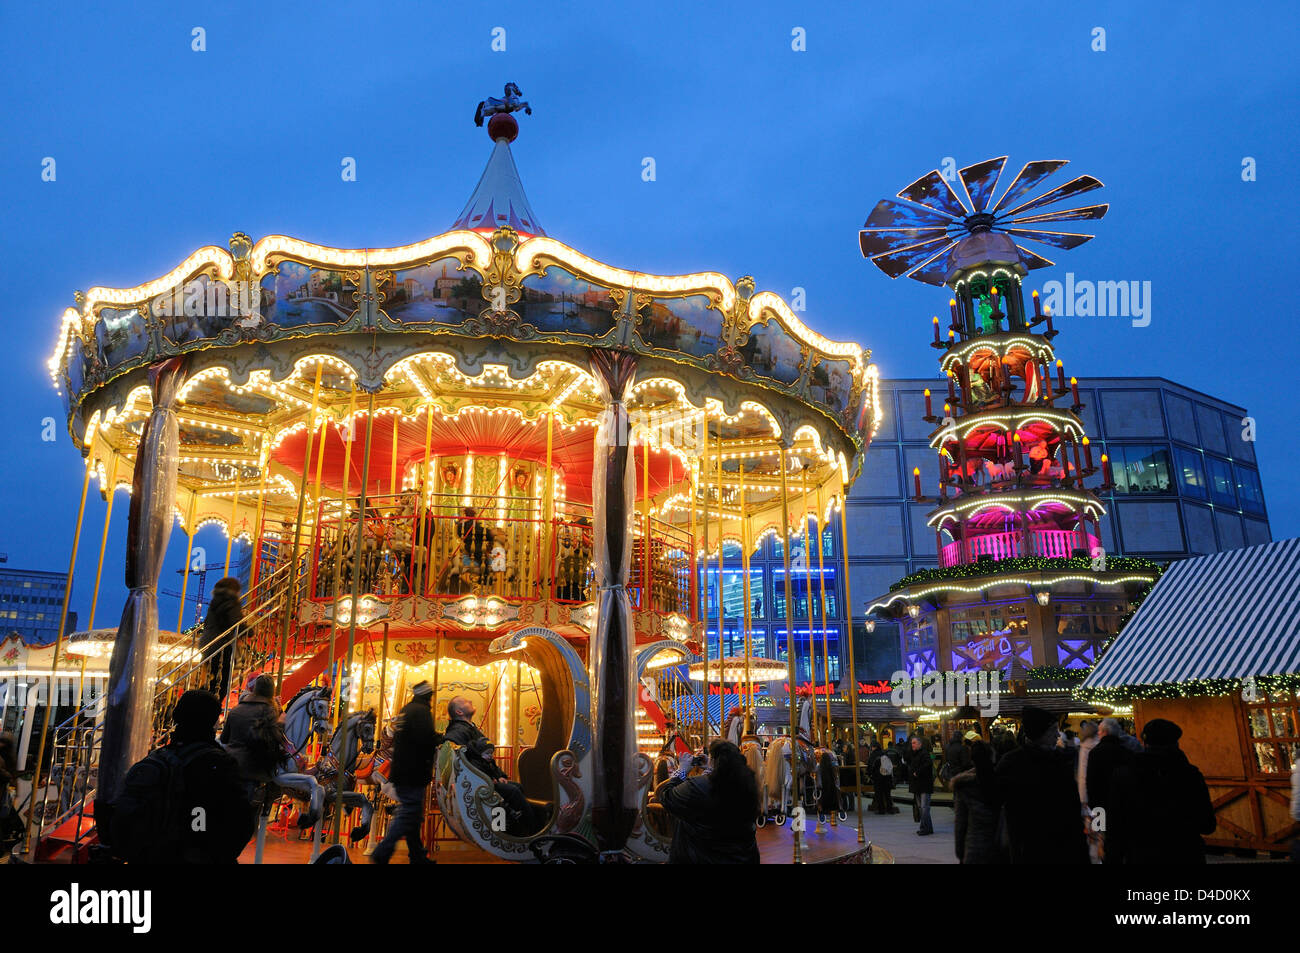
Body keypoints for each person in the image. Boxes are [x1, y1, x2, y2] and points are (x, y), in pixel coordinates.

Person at [106, 690, 255, 863]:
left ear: (176, 715)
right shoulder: (218, 764)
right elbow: (240, 822)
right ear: (214, 721)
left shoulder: (158, 757)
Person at [1106, 719, 1216, 864]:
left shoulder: (1124, 775)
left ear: (1145, 744)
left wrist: (1113, 856)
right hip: (1185, 853)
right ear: (1176, 744)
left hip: (1142, 854)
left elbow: (1115, 825)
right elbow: (1207, 824)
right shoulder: (1190, 775)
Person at [994, 706, 1088, 864]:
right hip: (1033, 846)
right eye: (1052, 731)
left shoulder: (1059, 760)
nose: (1057, 735)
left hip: (1059, 845)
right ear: (1040, 734)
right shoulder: (1016, 763)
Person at [653, 740, 760, 864]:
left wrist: (682, 770)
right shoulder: (746, 784)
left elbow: (666, 796)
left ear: (714, 760)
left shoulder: (696, 786)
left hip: (702, 856)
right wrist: (710, 769)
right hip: (741, 856)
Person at [372, 681, 443, 864]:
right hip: (414, 770)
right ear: (428, 696)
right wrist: (441, 738)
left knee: (413, 814)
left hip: (401, 769)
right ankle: (383, 851)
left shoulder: (406, 709)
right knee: (408, 812)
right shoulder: (421, 711)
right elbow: (425, 738)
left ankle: (417, 856)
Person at [444, 695, 536, 832]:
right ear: (459, 712)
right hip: (476, 782)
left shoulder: (469, 728)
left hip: (483, 779)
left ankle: (514, 829)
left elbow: (487, 759)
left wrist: (499, 775)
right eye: (464, 701)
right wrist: (485, 777)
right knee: (513, 791)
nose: (470, 700)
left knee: (518, 787)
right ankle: (531, 829)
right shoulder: (458, 732)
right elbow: (466, 761)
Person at [219, 674, 285, 805]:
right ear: (271, 691)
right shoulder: (269, 711)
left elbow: (224, 739)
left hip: (231, 767)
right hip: (253, 771)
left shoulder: (236, 709)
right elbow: (276, 739)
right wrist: (281, 720)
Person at [1086, 716, 1135, 860]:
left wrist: (1094, 810)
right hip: (1125, 806)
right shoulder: (1127, 752)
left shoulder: (1095, 753)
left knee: (1106, 845)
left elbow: (1092, 783)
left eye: (1099, 732)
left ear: (1104, 732)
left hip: (1102, 805)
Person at [952, 740, 1004, 864]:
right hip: (1001, 848)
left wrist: (960, 853)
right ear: (993, 757)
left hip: (975, 849)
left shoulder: (966, 787)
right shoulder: (1002, 782)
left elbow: (960, 824)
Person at [203, 577, 244, 701]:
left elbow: (207, 623)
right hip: (222, 644)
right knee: (223, 680)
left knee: (215, 678)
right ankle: (214, 705)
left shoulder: (215, 602)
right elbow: (236, 622)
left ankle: (206, 702)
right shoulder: (231, 602)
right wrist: (249, 631)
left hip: (208, 644)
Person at [1075, 719, 1101, 862]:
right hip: (1101, 795)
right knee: (1100, 827)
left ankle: (1094, 857)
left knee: (1091, 830)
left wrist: (1083, 798)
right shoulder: (1099, 745)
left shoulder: (1084, 748)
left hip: (1088, 797)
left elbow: (1082, 776)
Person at [907, 734, 934, 835]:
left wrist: (917, 772)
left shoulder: (924, 754)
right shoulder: (913, 754)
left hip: (924, 785)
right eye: (911, 743)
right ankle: (928, 828)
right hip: (917, 785)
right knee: (921, 807)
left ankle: (924, 828)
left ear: (920, 744)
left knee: (924, 807)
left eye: (914, 743)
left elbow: (927, 765)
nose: (912, 745)